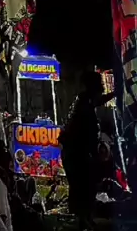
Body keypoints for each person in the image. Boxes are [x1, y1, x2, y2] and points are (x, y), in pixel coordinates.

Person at [60, 71, 114, 230]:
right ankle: (83, 220)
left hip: (74, 154)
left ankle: (84, 219)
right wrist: (97, 155)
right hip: (76, 155)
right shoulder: (84, 107)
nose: (102, 88)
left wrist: (114, 94)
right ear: (93, 87)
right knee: (84, 187)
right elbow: (87, 137)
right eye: (100, 85)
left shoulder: (84, 101)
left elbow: (98, 101)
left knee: (84, 188)